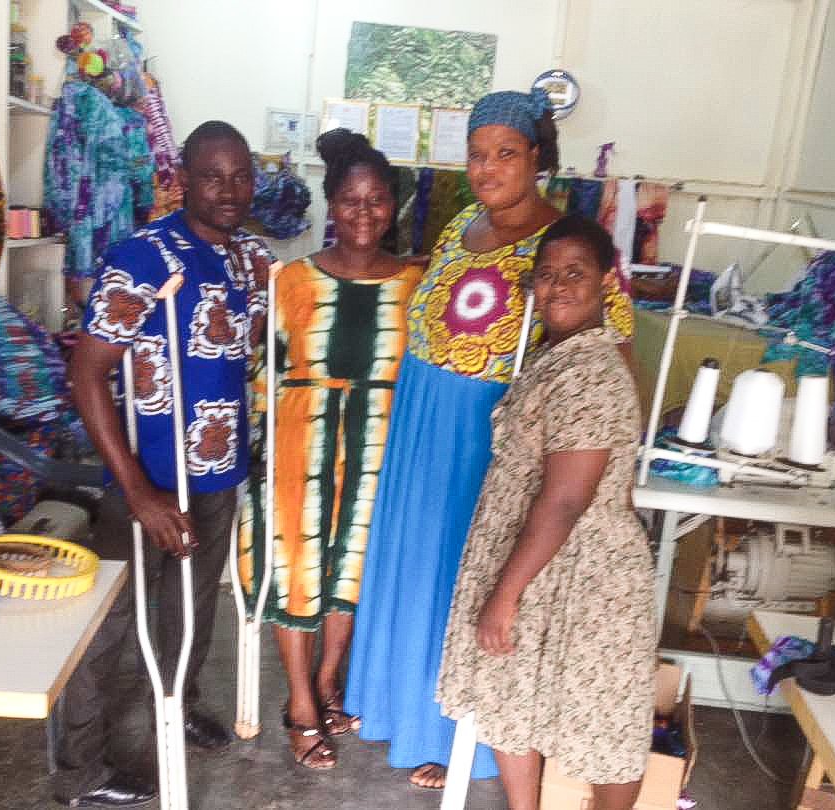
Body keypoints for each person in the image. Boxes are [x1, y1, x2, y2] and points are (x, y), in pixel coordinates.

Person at [344, 89, 635, 789]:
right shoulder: (458, 227)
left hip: (489, 433)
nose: (487, 168)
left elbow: (612, 353)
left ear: (537, 157)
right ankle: (402, 711)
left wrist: (608, 463)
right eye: (477, 154)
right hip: (422, 418)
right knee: (417, 570)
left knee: (464, 579)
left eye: (506, 153)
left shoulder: (565, 245)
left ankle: (460, 742)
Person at [54, 120, 273, 807]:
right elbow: (87, 373)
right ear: (182, 176)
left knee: (193, 605)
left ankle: (176, 701)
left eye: (241, 175)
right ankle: (78, 771)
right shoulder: (144, 257)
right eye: (213, 175)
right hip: (146, 477)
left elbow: (252, 350)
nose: (229, 190)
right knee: (110, 624)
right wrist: (140, 493)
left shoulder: (252, 259)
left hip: (218, 471)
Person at [438, 215, 655, 810]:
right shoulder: (557, 356)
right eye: (548, 274)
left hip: (583, 572)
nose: (557, 286)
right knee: (511, 694)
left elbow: (564, 499)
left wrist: (505, 594)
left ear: (605, 283)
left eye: (575, 273)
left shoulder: (590, 373)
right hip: (539, 559)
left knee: (602, 719)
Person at [238, 129, 425, 770]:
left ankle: (328, 681)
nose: (364, 212)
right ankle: (298, 702)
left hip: (379, 447)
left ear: (393, 206)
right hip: (300, 443)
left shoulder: (417, 284)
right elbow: (264, 372)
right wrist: (260, 456)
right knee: (299, 570)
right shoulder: (291, 280)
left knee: (352, 571)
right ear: (331, 205)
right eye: (351, 200)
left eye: (376, 200)